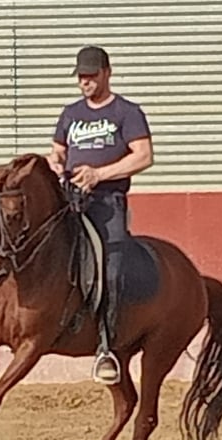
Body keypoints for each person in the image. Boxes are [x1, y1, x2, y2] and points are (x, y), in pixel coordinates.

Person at [47, 45, 154, 385]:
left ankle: (107, 346)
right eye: (81, 77)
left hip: (108, 201)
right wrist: (56, 165)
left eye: (92, 75)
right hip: (71, 199)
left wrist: (99, 174)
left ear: (107, 73)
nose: (86, 82)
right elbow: (57, 151)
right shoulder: (71, 113)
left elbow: (144, 156)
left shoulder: (127, 112)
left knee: (112, 268)